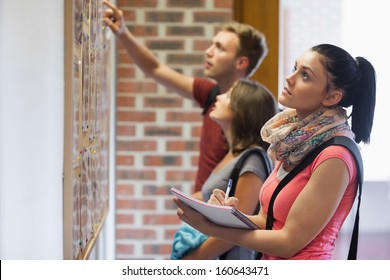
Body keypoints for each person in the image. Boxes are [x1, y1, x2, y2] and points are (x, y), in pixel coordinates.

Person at [174, 43, 376, 260]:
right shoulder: (293, 141)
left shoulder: (335, 156)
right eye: (294, 69)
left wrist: (213, 230)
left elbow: (289, 242)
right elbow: (268, 221)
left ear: (331, 97)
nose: (290, 78)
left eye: (305, 75)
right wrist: (227, 217)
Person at [102, 0, 268, 193]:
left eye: (220, 48)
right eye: (212, 45)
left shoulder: (250, 115)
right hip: (200, 209)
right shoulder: (211, 93)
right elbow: (155, 68)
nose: (208, 52)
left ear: (241, 62)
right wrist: (122, 33)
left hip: (212, 214)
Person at [174, 79, 277, 260]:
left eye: (228, 96)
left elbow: (236, 231)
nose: (219, 97)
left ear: (243, 109)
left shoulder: (252, 158)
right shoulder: (233, 154)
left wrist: (191, 261)